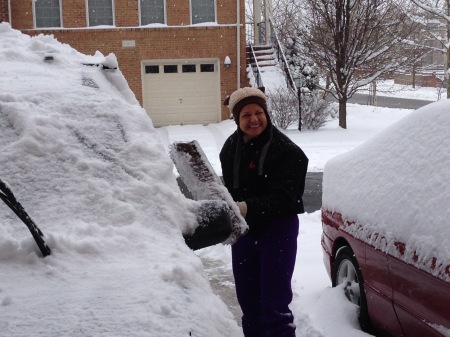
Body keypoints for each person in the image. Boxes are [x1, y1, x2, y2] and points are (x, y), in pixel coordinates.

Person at [220, 86, 308, 337]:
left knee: (274, 305)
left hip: (277, 230)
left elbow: (286, 198)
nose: (254, 119)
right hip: (245, 232)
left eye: (259, 112)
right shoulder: (230, 148)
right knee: (249, 302)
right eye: (246, 114)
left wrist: (248, 207)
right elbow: (230, 189)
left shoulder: (288, 151)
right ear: (237, 119)